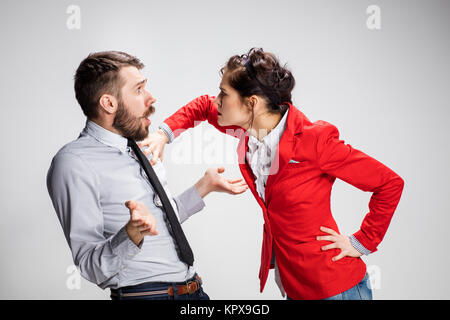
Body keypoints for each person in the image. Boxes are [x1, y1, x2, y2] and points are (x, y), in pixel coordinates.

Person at [141, 48, 405, 300]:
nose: (217, 101)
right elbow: (201, 106)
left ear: (251, 103)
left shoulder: (314, 141)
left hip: (335, 286)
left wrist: (362, 242)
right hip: (293, 283)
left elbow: (389, 184)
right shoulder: (245, 127)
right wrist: (164, 134)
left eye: (223, 94)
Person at [46, 51, 248, 300]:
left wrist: (204, 187)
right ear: (109, 103)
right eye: (139, 90)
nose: (151, 97)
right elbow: (89, 264)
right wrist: (130, 234)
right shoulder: (74, 163)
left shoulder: (142, 146)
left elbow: (161, 223)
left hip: (192, 290)